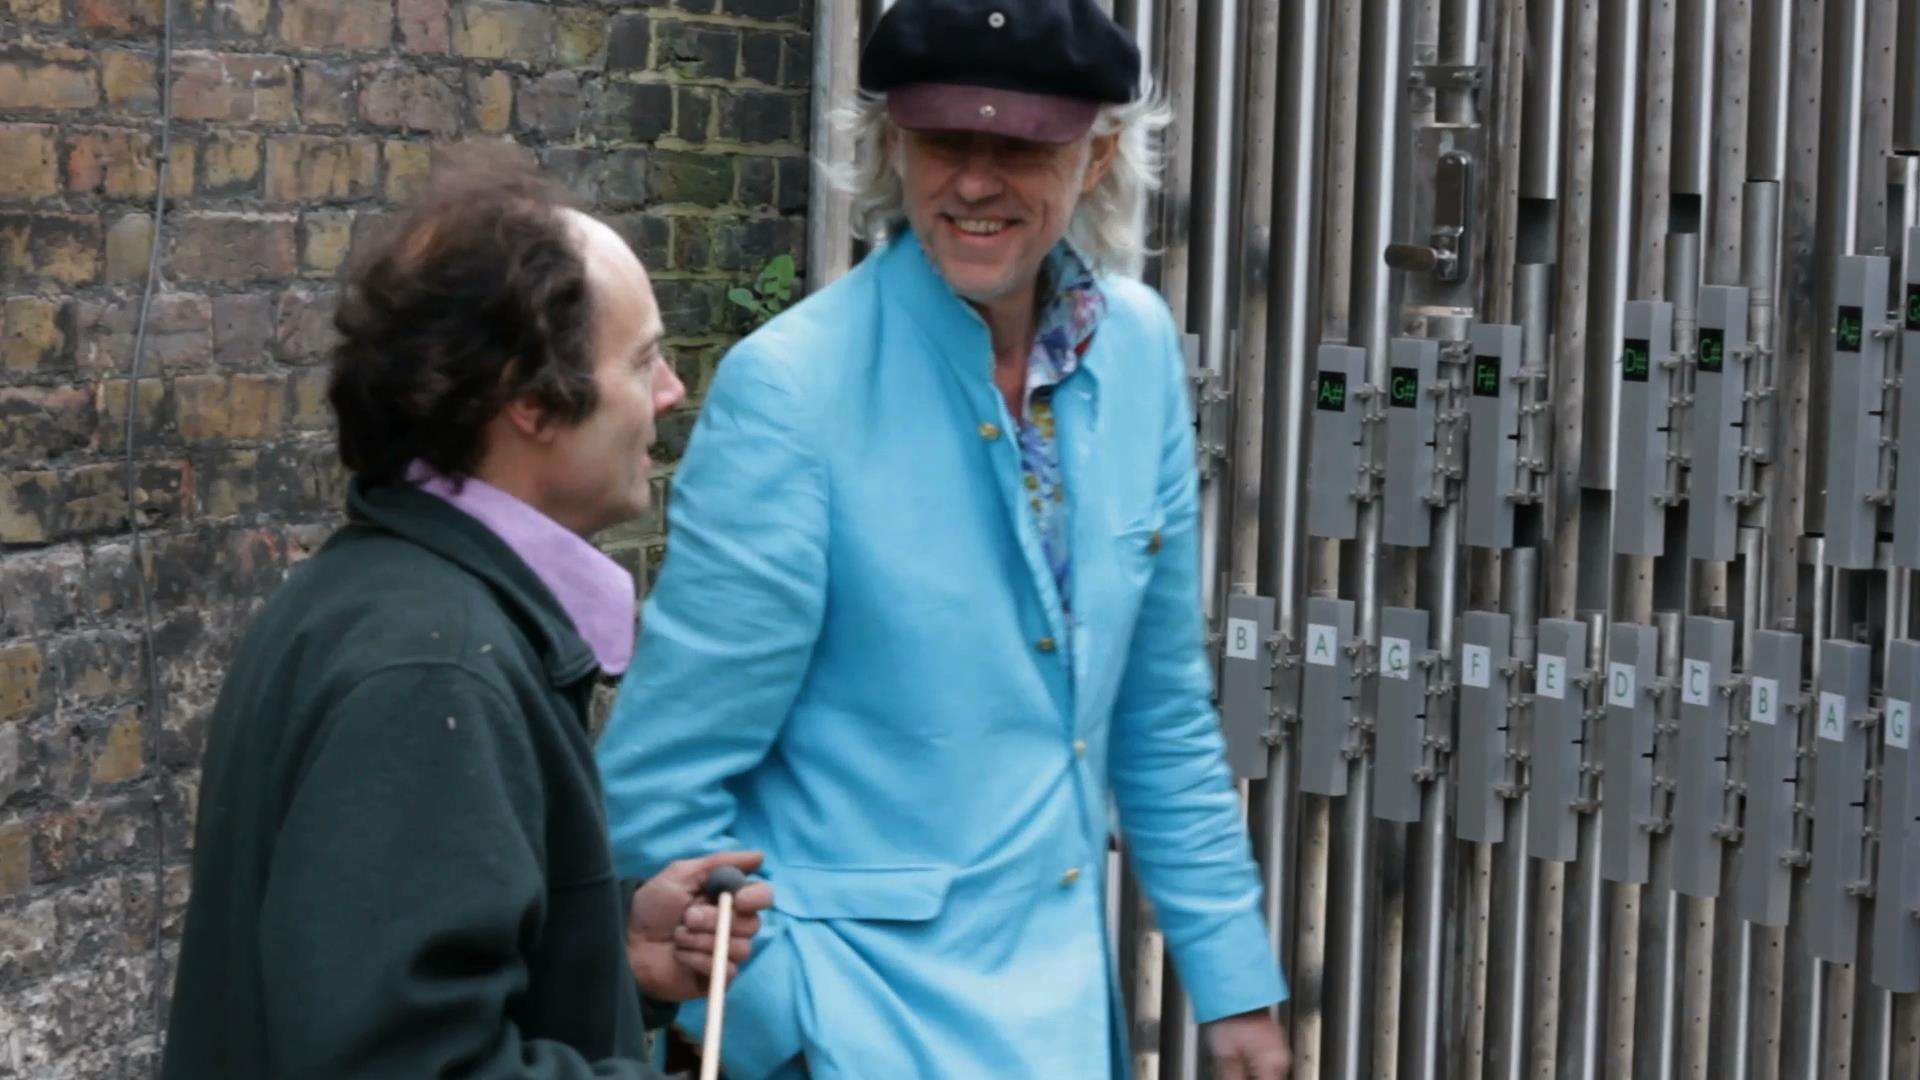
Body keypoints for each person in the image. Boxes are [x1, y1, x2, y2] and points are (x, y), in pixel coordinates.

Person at [595, 1, 1292, 1076]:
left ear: (1099, 154)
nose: (974, 181)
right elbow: (664, 778)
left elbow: (1156, 705)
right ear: (888, 145)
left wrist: (1234, 982)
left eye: (1017, 144)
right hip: (855, 1034)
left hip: (1059, 1030)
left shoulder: (1141, 351)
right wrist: (788, 1015)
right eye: (942, 141)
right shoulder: (794, 389)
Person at [161, 154, 772, 1079]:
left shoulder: (388, 595)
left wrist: (617, 957)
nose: (672, 392)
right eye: (643, 359)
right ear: (530, 399)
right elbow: (405, 1060)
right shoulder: (432, 669)